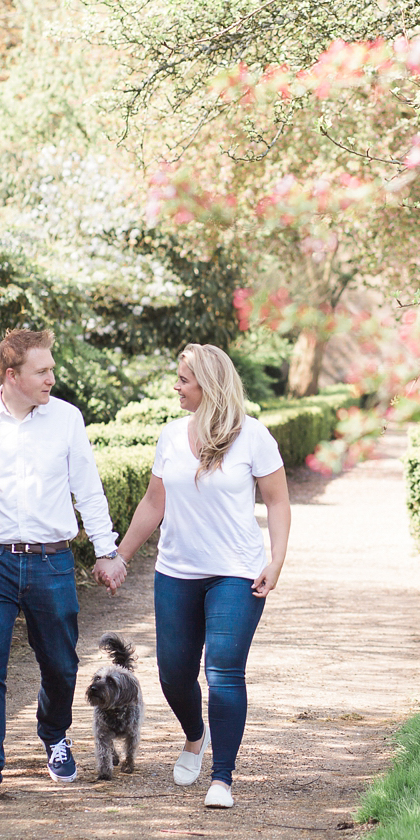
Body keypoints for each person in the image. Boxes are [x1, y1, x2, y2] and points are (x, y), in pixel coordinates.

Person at [0, 328, 128, 800]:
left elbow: (88, 488)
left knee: (61, 664)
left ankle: (55, 736)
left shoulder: (67, 420)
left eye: (52, 369)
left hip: (50, 562)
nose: (52, 378)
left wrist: (106, 550)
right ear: (11, 374)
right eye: (43, 371)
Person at [111, 343, 291, 809]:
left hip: (237, 572)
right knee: (173, 673)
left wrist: (277, 559)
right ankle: (196, 735)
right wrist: (121, 556)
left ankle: (223, 778)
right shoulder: (171, 436)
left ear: (208, 385)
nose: (176, 386)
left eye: (183, 379)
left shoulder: (254, 437)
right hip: (177, 570)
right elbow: (154, 503)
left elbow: (277, 501)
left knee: (224, 672)